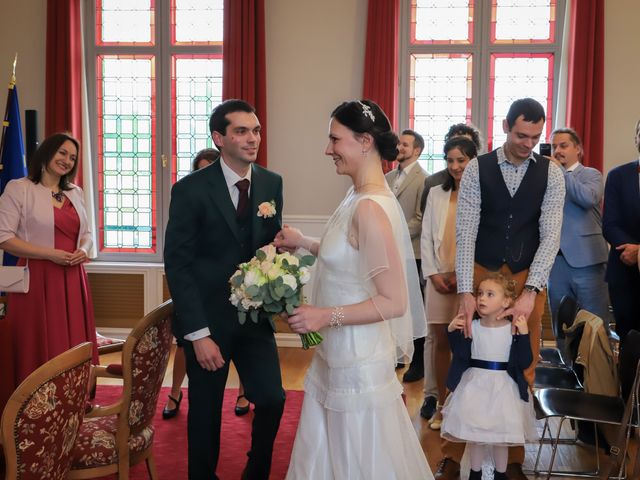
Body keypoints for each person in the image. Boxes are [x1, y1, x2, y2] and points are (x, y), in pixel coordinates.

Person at [275, 100, 432, 479]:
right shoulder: (356, 196)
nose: (328, 149)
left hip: (358, 360)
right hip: (339, 351)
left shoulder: (370, 208)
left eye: (334, 139)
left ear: (364, 142)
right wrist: (306, 242)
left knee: (359, 456)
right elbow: (349, 256)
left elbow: (394, 301)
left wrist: (323, 315)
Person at [435, 98, 565, 480]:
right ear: (506, 126)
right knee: (462, 355)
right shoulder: (478, 168)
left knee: (522, 363)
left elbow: (550, 235)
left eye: (536, 136)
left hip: (526, 274)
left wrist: (532, 290)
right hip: (480, 269)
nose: (528, 144)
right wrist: (465, 290)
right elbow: (466, 230)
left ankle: (512, 462)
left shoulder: (552, 173)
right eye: (521, 135)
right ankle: (452, 453)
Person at [164, 99, 285, 480]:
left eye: (257, 130)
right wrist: (197, 335)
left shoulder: (271, 183)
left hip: (254, 321)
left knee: (272, 399)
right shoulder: (190, 190)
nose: (253, 139)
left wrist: (282, 285)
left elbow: (270, 248)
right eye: (242, 131)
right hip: (207, 323)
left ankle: (257, 472)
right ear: (219, 138)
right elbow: (178, 266)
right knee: (204, 414)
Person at [0, 132, 98, 387]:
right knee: (39, 341)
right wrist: (50, 254)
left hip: (73, 278)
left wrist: (84, 251)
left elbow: (87, 235)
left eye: (73, 157)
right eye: (62, 153)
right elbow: (3, 237)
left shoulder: (76, 192)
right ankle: (36, 401)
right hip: (36, 279)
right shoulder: (19, 188)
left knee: (73, 339)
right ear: (47, 151)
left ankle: (72, 395)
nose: (67, 160)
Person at [162, 148, 251, 420]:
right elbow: (179, 257)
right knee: (185, 347)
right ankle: (175, 391)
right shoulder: (190, 197)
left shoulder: (245, 195)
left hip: (241, 292)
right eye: (200, 169)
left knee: (244, 350)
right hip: (200, 295)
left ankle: (243, 392)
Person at [441, 273, 536, 480]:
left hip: (504, 389)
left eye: (490, 294)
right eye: (480, 293)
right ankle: (475, 474)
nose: (482, 298)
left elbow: (525, 361)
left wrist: (524, 335)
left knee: (500, 439)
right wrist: (451, 331)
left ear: (506, 301)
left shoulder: (513, 329)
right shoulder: (472, 326)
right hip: (475, 387)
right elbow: (460, 354)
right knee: (475, 437)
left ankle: (500, 474)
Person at [419, 122, 482, 421]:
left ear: (473, 160)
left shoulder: (484, 193)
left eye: (462, 160)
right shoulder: (436, 193)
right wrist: (433, 274)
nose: (456, 166)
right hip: (438, 278)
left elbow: (481, 239)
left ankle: (463, 406)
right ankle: (442, 406)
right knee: (439, 343)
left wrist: (463, 275)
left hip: (467, 280)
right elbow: (427, 236)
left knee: (466, 343)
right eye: (451, 160)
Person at [547, 128, 610, 342]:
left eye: (563, 146)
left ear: (578, 149)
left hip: (587, 262)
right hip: (555, 264)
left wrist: (562, 173)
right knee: (561, 328)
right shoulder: (546, 177)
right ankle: (566, 373)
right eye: (554, 146)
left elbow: (588, 198)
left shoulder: (591, 174)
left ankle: (599, 376)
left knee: (596, 327)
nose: (557, 151)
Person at [385, 129, 428, 383]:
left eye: (405, 144)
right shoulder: (388, 177)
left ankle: (418, 362)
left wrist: (396, 234)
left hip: (412, 252)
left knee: (414, 308)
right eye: (399, 144)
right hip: (389, 251)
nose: (399, 147)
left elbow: (420, 219)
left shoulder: (424, 179)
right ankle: (396, 354)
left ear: (417, 150)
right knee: (393, 304)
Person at [602, 120, 640, 342]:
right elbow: (610, 224)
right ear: (636, 138)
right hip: (623, 269)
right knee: (628, 340)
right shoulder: (618, 175)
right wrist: (632, 251)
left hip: (632, 254)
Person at [419, 123, 483, 214]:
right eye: (455, 142)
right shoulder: (433, 182)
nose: (455, 167)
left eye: (465, 144)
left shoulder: (483, 182)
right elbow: (427, 220)